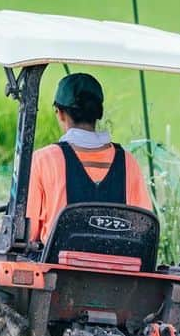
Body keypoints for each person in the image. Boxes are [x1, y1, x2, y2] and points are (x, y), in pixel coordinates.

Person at [26, 72, 153, 245]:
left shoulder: (43, 160)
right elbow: (143, 229)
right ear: (98, 113)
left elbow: (28, 232)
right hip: (118, 269)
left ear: (60, 113)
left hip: (59, 268)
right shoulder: (127, 161)